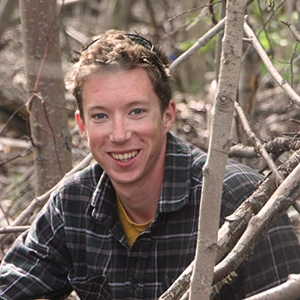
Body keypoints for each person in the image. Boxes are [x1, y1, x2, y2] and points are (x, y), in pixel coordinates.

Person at [0, 29, 300, 300]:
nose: (119, 135)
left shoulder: (236, 197)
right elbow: (10, 287)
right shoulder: (73, 203)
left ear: (167, 115)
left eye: (137, 111)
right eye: (100, 116)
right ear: (82, 125)